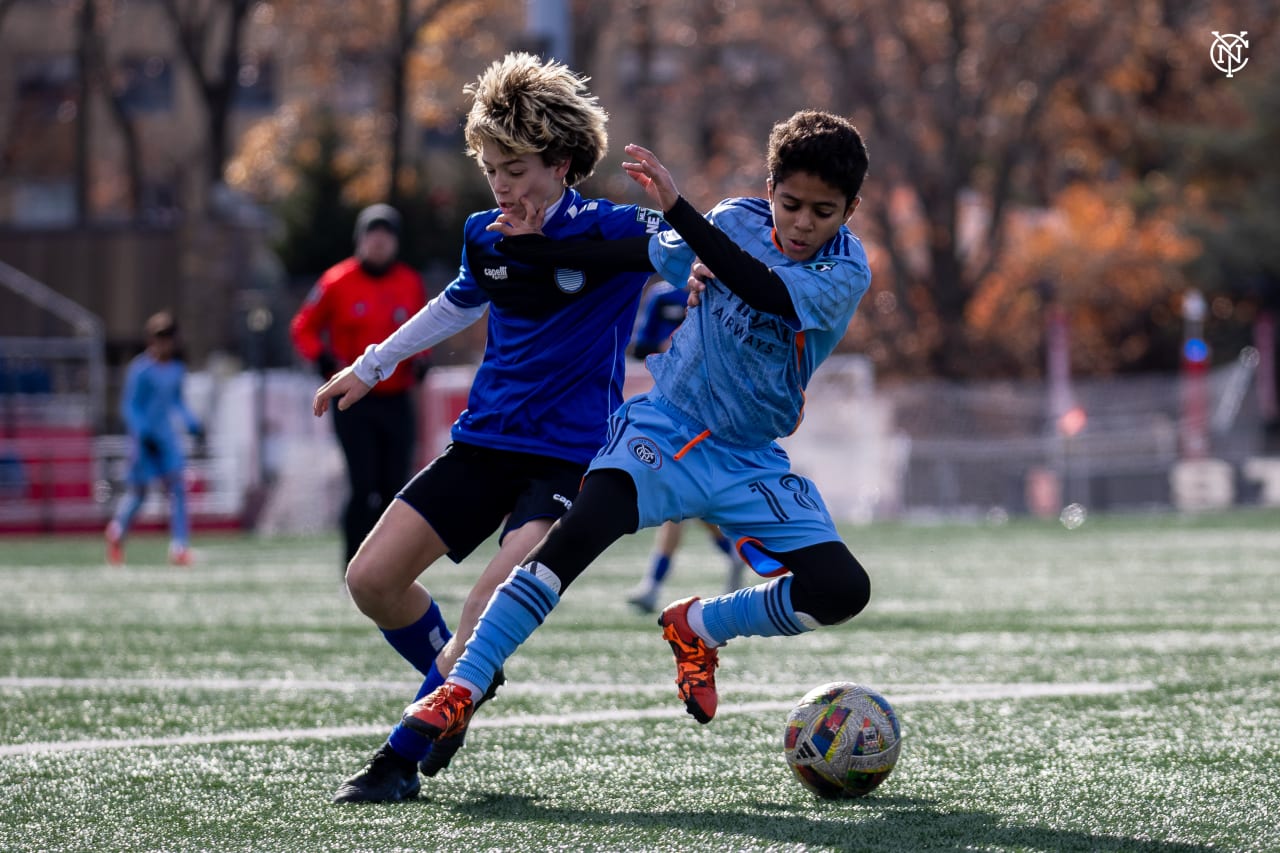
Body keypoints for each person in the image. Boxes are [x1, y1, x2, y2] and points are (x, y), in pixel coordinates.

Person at [400, 110, 873, 752]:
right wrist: (541, 249)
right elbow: (636, 252)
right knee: (573, 540)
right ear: (769, 190)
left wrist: (679, 208)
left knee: (844, 590)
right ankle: (461, 688)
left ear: (850, 209)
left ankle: (701, 625)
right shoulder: (734, 221)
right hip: (665, 426)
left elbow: (761, 288)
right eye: (791, 204)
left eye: (824, 211)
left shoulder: (846, 269)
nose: (804, 224)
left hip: (750, 459)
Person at [310, 52, 665, 804]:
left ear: (563, 162)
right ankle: (458, 683)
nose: (502, 184)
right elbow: (457, 303)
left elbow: (697, 252)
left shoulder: (614, 233)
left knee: (485, 606)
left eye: (517, 168)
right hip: (484, 443)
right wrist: (370, 365)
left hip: (569, 463)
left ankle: (398, 759)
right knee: (371, 579)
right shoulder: (485, 233)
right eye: (491, 168)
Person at [290, 203, 428, 567]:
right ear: (360, 240)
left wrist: (423, 359)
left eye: (386, 236)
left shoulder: (409, 282)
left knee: (394, 491)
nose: (379, 243)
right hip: (354, 402)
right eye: (372, 235)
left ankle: (389, 568)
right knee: (362, 486)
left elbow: (425, 329)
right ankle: (353, 567)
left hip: (396, 399)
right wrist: (319, 356)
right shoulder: (336, 281)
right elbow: (302, 326)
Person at [626, 282, 746, 613]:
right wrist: (667, 348)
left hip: (712, 408)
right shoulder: (663, 296)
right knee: (681, 497)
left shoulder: (725, 289)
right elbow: (640, 348)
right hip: (670, 406)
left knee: (677, 492)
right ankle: (733, 551)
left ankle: (654, 584)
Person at [105, 311, 205, 567]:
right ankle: (117, 532)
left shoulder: (176, 370)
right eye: (159, 338)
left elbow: (177, 403)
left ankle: (179, 547)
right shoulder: (140, 369)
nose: (163, 344)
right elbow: (130, 406)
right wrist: (143, 432)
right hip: (144, 441)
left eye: (168, 338)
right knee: (139, 495)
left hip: (166, 440)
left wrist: (194, 424)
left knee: (178, 490)